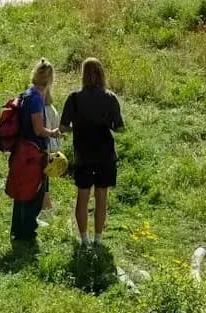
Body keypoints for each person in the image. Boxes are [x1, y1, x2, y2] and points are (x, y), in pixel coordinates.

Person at [59, 57, 125, 247]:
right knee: (101, 196)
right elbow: (120, 128)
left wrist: (76, 127)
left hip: (83, 154)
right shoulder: (110, 97)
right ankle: (98, 238)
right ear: (102, 74)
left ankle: (84, 239)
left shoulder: (74, 98)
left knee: (83, 195)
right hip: (105, 153)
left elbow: (63, 127)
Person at [9, 60, 53, 244]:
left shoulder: (28, 93)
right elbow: (38, 129)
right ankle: (28, 233)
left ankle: (17, 229)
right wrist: (54, 133)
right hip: (33, 151)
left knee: (21, 190)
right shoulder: (36, 99)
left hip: (21, 149)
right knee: (33, 191)